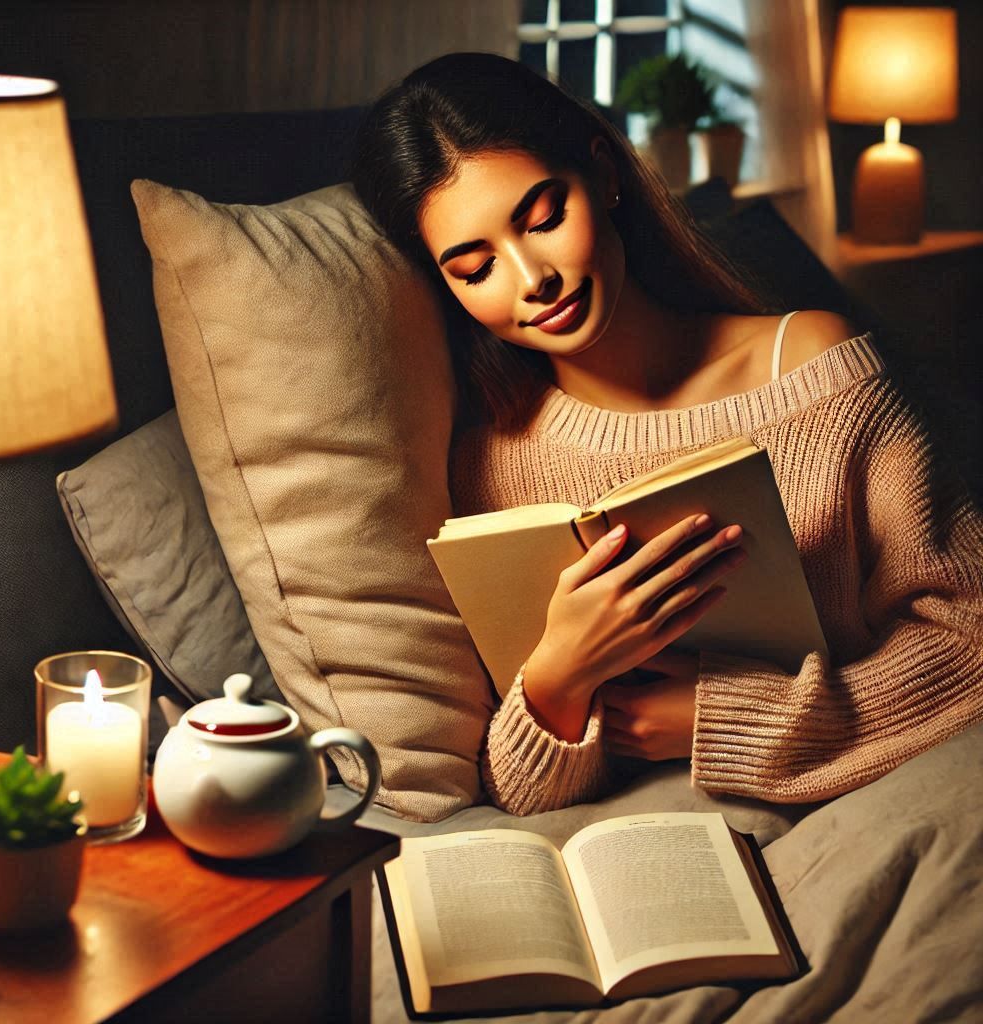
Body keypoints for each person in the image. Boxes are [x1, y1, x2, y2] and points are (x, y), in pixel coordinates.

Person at [351, 52, 983, 816]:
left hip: (884, 806)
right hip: (662, 858)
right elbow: (524, 798)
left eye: (543, 216)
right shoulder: (492, 463)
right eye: (475, 267)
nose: (531, 278)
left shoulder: (815, 368)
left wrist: (721, 717)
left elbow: (970, 648)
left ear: (605, 173)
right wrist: (559, 678)